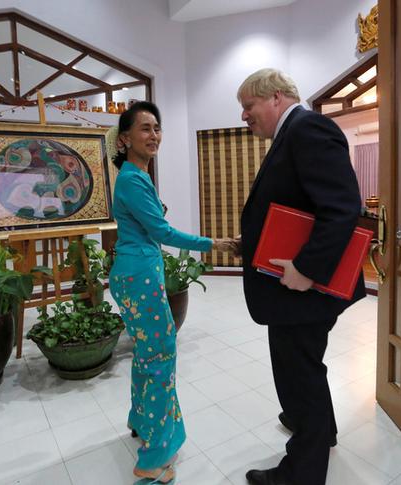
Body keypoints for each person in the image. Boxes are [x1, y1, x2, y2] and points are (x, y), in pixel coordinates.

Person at [234, 69, 365, 485]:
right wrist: (252, 241)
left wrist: (308, 270)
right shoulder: (294, 134)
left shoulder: (309, 129)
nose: (244, 116)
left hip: (302, 288)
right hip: (295, 287)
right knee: (306, 366)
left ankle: (301, 474)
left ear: (275, 97)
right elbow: (298, 206)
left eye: (248, 106)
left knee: (297, 375)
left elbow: (342, 208)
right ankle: (321, 431)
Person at [107, 101, 233, 484]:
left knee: (148, 353)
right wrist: (215, 243)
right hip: (139, 275)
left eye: (157, 128)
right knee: (160, 355)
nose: (154, 135)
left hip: (134, 273)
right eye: (145, 129)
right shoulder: (131, 178)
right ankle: (153, 458)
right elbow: (162, 233)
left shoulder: (136, 176)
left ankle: (141, 420)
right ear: (125, 138)